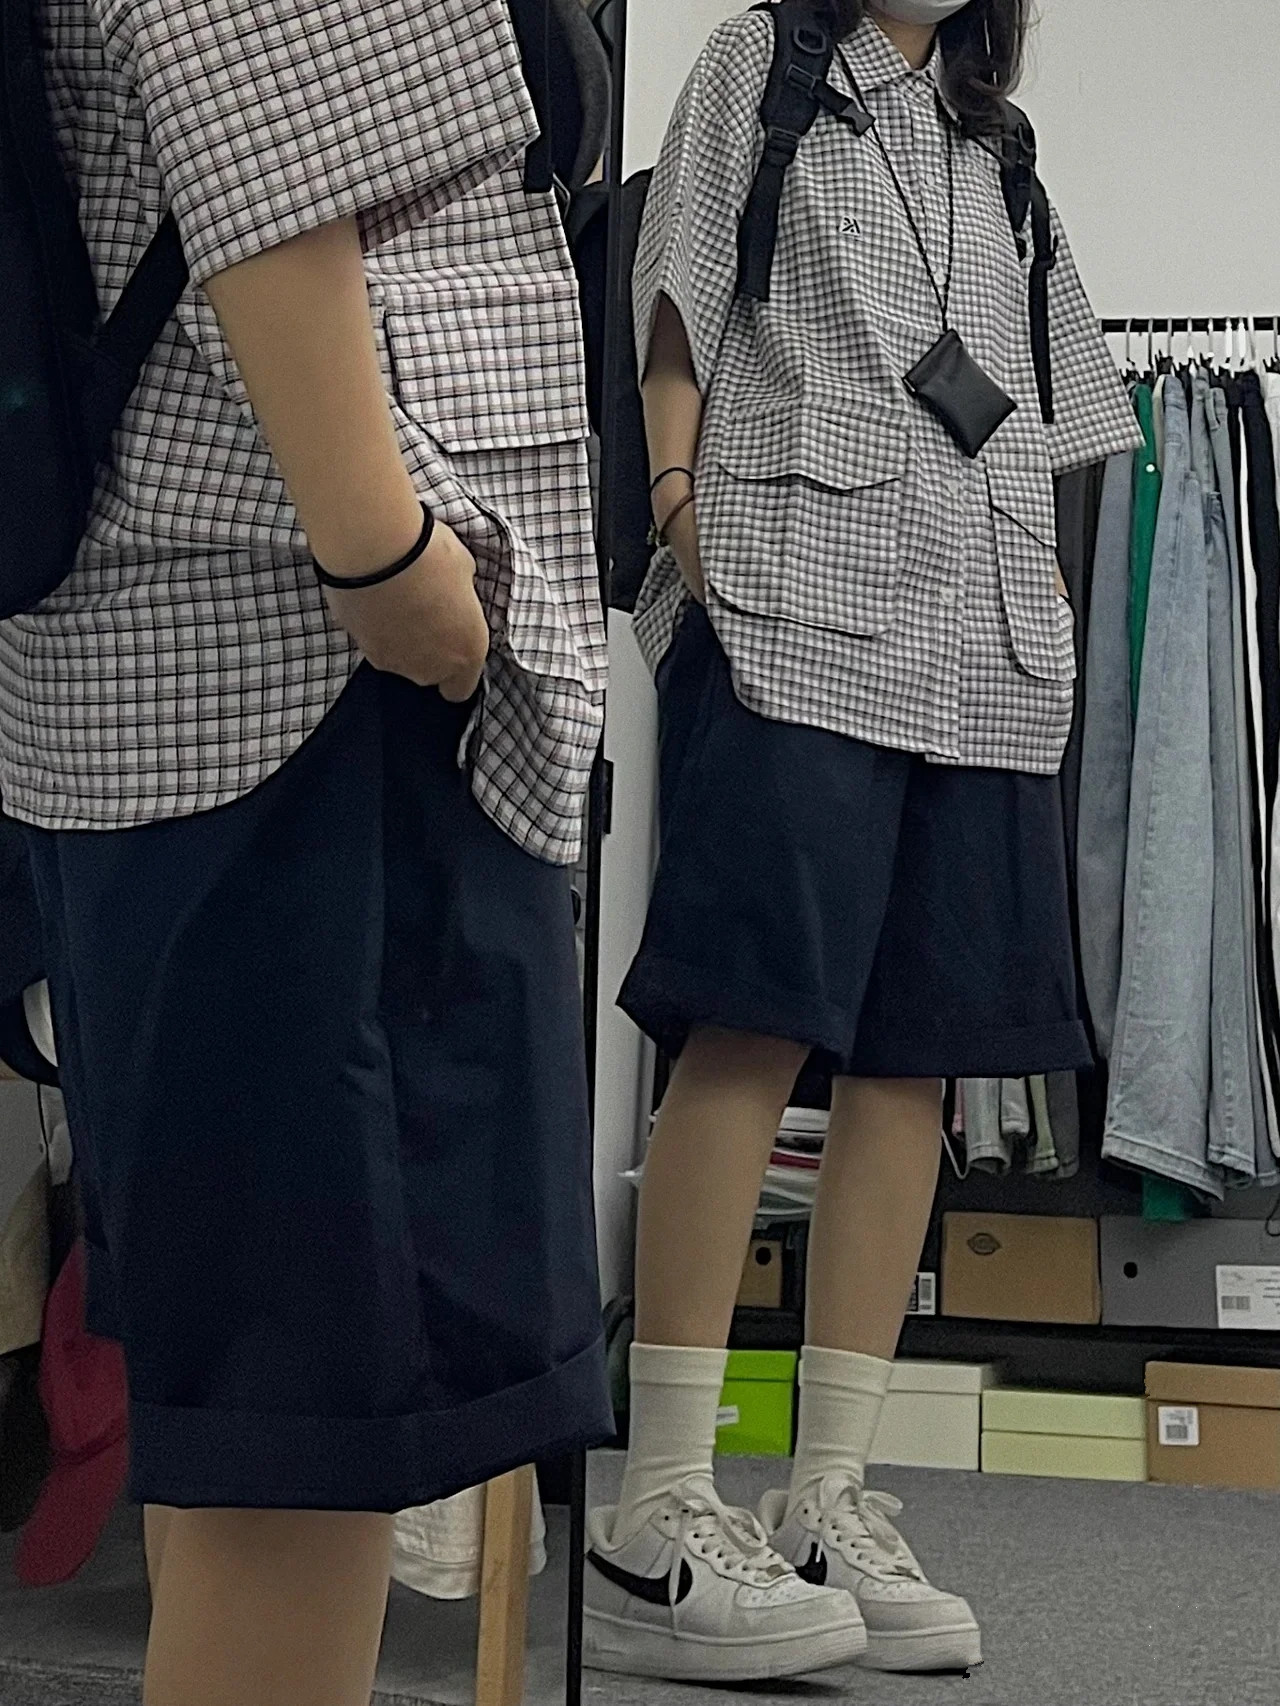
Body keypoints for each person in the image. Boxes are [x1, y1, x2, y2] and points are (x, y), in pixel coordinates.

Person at [0, 0, 611, 1702]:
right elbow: (263, 112)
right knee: (303, 1443)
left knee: (252, 1421)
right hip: (297, 669)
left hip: (201, 675)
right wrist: (385, 552)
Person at [584, 0, 1142, 1684]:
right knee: (749, 1021)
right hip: (798, 611)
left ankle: (829, 1491)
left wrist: (1042, 586)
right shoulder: (760, 66)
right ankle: (659, 1504)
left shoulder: (1002, 147)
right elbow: (675, 298)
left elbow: (1057, 405)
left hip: (982, 653)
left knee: (917, 1062)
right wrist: (677, 502)